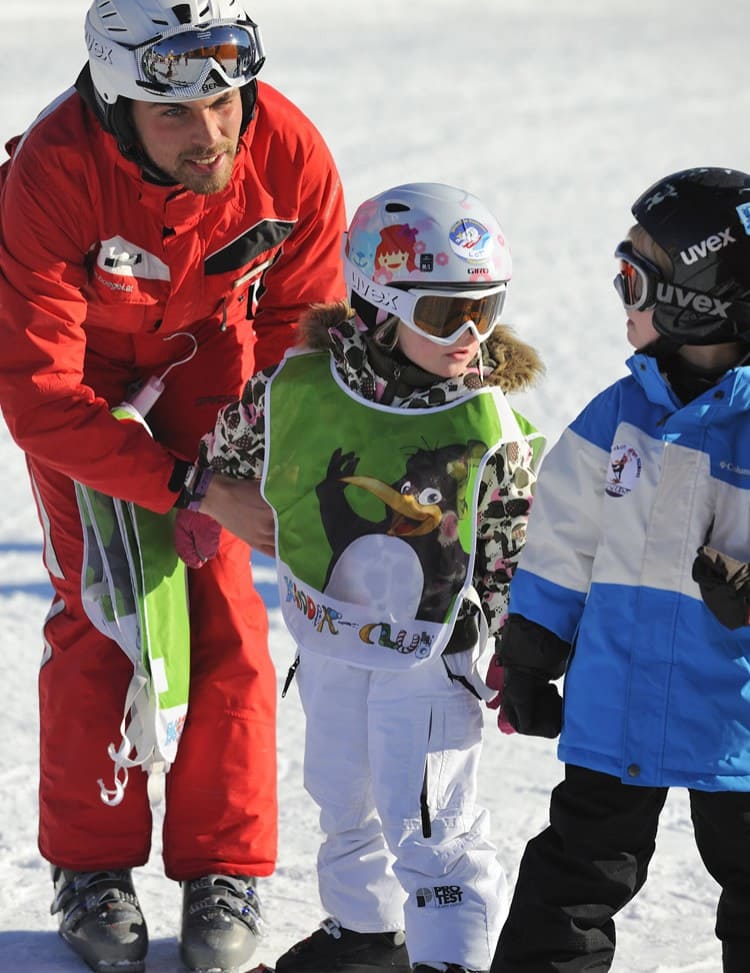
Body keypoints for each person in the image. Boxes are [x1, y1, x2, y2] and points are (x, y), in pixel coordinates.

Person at [0, 1, 347, 971]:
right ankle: (93, 868)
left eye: (225, 100)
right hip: (88, 390)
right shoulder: (52, 172)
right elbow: (38, 393)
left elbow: (305, 338)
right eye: (175, 114)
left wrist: (271, 464)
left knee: (226, 609)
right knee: (102, 607)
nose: (212, 132)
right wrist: (186, 488)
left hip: (216, 368)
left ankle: (223, 869)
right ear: (116, 106)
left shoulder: (287, 148)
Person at [175, 182, 545, 973]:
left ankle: (452, 958)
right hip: (333, 631)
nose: (474, 337)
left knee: (431, 817)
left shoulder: (486, 424)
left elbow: (516, 549)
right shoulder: (299, 388)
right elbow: (231, 451)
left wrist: (525, 650)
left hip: (431, 651)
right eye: (448, 314)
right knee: (342, 790)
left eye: (489, 309)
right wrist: (204, 501)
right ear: (378, 304)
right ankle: (366, 933)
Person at [488, 167, 750, 973]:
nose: (621, 293)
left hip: (735, 714)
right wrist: (531, 648)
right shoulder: (619, 414)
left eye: (634, 276)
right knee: (573, 876)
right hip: (621, 696)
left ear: (699, 297)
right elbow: (565, 536)